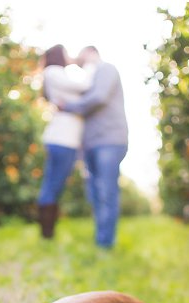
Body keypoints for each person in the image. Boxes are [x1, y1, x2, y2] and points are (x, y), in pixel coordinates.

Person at [60, 46, 128, 248]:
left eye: (81, 57)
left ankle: (105, 243)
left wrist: (68, 106)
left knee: (106, 191)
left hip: (110, 140)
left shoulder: (106, 69)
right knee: (95, 193)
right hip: (91, 142)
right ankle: (102, 238)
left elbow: (98, 97)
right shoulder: (89, 78)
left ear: (90, 52)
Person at [37, 44, 91, 238]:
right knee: (53, 185)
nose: (70, 57)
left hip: (65, 138)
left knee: (54, 185)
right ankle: (47, 234)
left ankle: (47, 233)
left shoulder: (57, 75)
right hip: (62, 139)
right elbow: (84, 86)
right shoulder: (54, 71)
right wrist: (91, 64)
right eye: (67, 53)